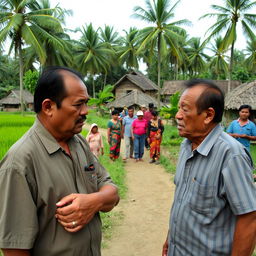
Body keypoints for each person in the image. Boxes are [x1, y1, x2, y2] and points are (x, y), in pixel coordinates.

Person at [0, 66, 119, 256]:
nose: (85, 111)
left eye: (86, 103)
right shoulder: (20, 163)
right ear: (48, 107)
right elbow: (15, 248)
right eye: (78, 104)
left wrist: (93, 201)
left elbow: (112, 191)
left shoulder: (78, 142)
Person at [162, 79, 256, 256]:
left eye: (185, 109)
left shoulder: (231, 155)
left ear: (208, 115)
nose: (178, 115)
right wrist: (170, 239)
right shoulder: (185, 146)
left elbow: (249, 218)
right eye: (179, 108)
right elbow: (182, 200)